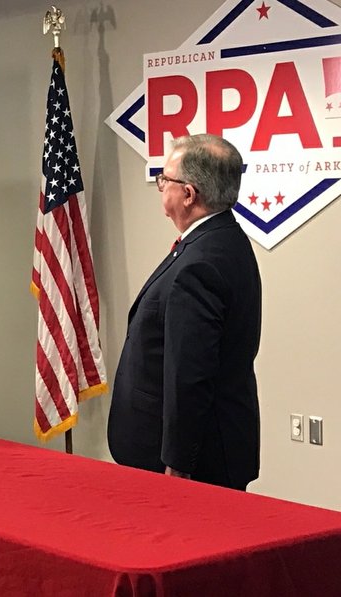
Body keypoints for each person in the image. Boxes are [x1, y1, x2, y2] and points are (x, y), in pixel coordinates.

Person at [107, 134, 262, 491]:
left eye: (166, 179)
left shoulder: (201, 262)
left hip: (186, 464)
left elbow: (190, 372)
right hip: (205, 448)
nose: (161, 187)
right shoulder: (223, 241)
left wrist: (178, 463)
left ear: (189, 194)